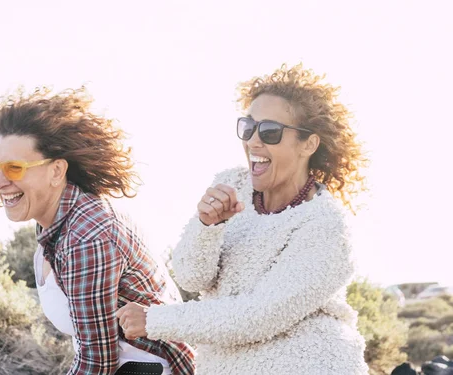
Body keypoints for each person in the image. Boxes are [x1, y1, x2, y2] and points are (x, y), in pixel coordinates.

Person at [117, 64, 370, 374]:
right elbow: (190, 278)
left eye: (270, 131)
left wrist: (155, 320)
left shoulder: (328, 226)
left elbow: (260, 316)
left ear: (309, 144)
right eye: (248, 127)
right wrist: (207, 226)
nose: (252, 142)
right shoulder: (232, 185)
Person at [0, 86, 195, 375]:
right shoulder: (57, 224)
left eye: (15, 168)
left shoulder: (86, 236)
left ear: (56, 171)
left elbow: (98, 362)